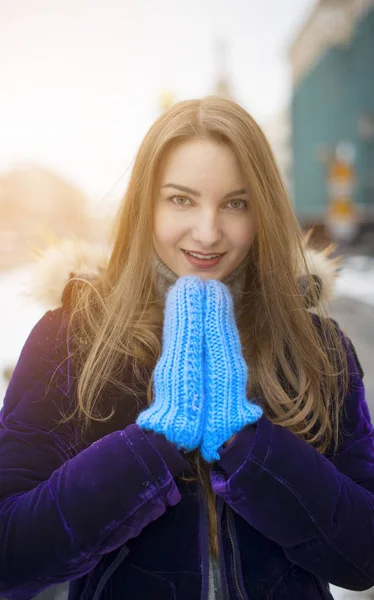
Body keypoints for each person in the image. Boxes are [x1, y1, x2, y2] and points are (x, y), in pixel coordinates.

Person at [0, 96, 373, 600]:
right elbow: (11, 553)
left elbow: (362, 554)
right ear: (145, 206)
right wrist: (153, 443)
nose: (207, 231)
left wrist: (248, 444)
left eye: (236, 203)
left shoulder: (320, 348)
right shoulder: (72, 338)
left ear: (263, 211)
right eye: (181, 199)